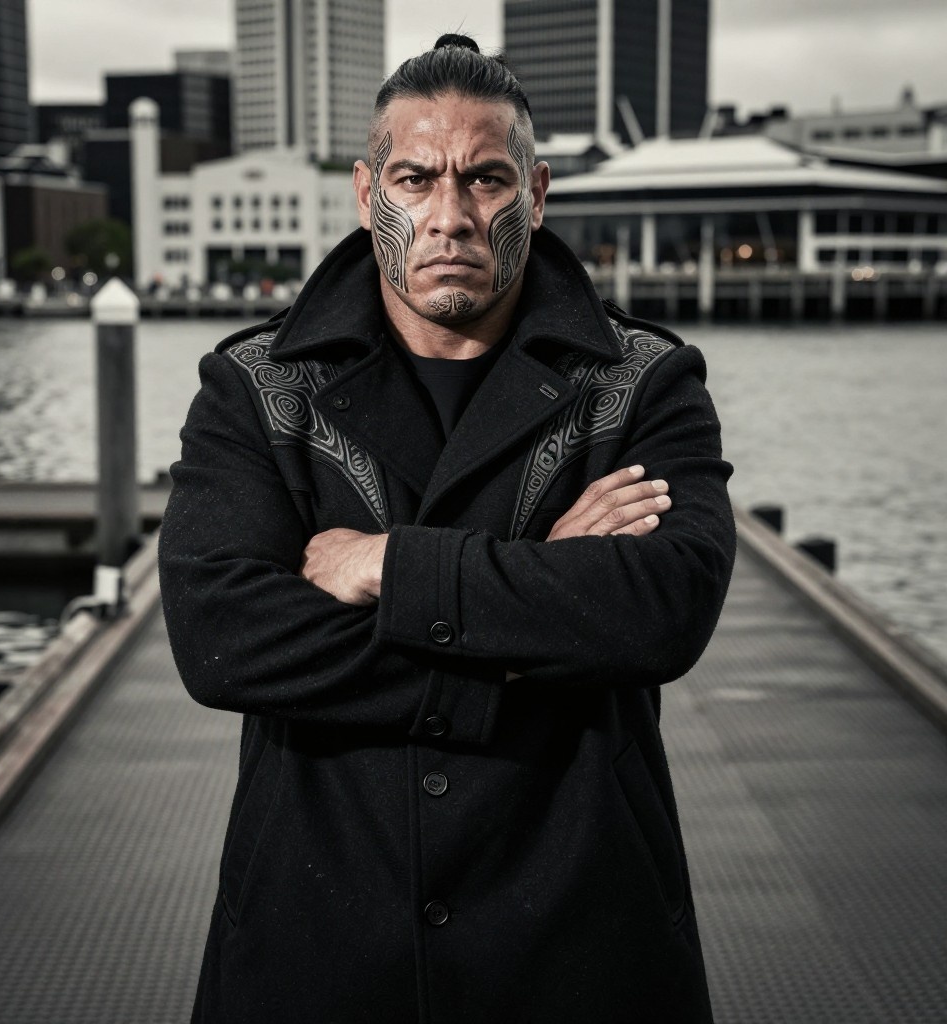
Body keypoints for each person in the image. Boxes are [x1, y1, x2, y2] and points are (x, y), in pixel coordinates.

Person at [160, 34, 734, 1024]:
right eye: (416, 178)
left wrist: (386, 564)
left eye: (486, 179)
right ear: (365, 193)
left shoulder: (641, 381)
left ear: (537, 194)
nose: (450, 215)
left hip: (578, 937)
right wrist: (540, 587)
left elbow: (662, 610)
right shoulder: (257, 386)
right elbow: (222, 637)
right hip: (319, 939)